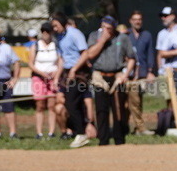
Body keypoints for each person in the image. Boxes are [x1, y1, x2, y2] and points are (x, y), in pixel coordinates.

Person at [82, 15, 137, 146]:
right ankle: (103, 140)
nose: (106, 30)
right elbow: (89, 54)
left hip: (117, 76)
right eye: (104, 27)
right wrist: (102, 41)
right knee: (101, 109)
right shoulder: (94, 36)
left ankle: (119, 139)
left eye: (109, 28)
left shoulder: (122, 38)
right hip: (99, 77)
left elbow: (131, 58)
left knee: (118, 109)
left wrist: (126, 75)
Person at [50, 12, 93, 147]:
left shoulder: (75, 34)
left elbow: (85, 53)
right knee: (73, 103)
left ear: (63, 23)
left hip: (79, 71)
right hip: (68, 72)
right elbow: (62, 59)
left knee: (71, 102)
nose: (55, 29)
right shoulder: (58, 37)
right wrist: (57, 76)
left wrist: (74, 70)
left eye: (56, 25)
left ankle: (81, 133)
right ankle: (80, 132)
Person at [28, 22, 63, 139]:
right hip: (39, 77)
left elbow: (60, 62)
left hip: (52, 78)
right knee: (40, 105)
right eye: (43, 31)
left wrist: (56, 73)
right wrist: (42, 73)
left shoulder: (56, 45)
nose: (45, 34)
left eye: (48, 31)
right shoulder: (35, 46)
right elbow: (31, 64)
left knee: (52, 105)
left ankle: (51, 132)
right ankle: (39, 132)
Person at [126, 10, 156, 135]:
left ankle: (138, 128)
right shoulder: (125, 35)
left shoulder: (147, 35)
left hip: (142, 72)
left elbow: (150, 54)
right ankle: (133, 127)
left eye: (139, 19)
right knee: (129, 103)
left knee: (137, 101)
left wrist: (150, 71)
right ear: (130, 21)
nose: (137, 21)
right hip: (127, 73)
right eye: (135, 19)